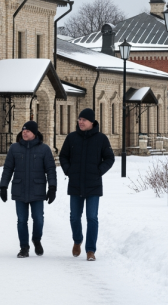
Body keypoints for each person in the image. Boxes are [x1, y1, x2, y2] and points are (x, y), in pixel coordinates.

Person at [58, 108, 115, 262]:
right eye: (79, 119)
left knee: (92, 218)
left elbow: (110, 158)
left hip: (93, 185)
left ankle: (90, 250)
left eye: (83, 119)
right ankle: (77, 240)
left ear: (91, 122)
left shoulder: (101, 139)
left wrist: (98, 171)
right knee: (74, 217)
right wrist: (68, 170)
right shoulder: (72, 138)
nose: (80, 122)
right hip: (75, 184)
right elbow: (63, 156)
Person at [0, 120, 57, 258]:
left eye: (28, 131)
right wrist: (3, 186)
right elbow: (8, 169)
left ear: (34, 133)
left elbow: (50, 170)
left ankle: (36, 239)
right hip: (20, 189)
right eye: (23, 130)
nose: (24, 133)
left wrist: (52, 187)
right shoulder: (14, 148)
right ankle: (24, 247)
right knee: (21, 220)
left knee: (38, 219)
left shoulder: (44, 149)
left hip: (37, 189)